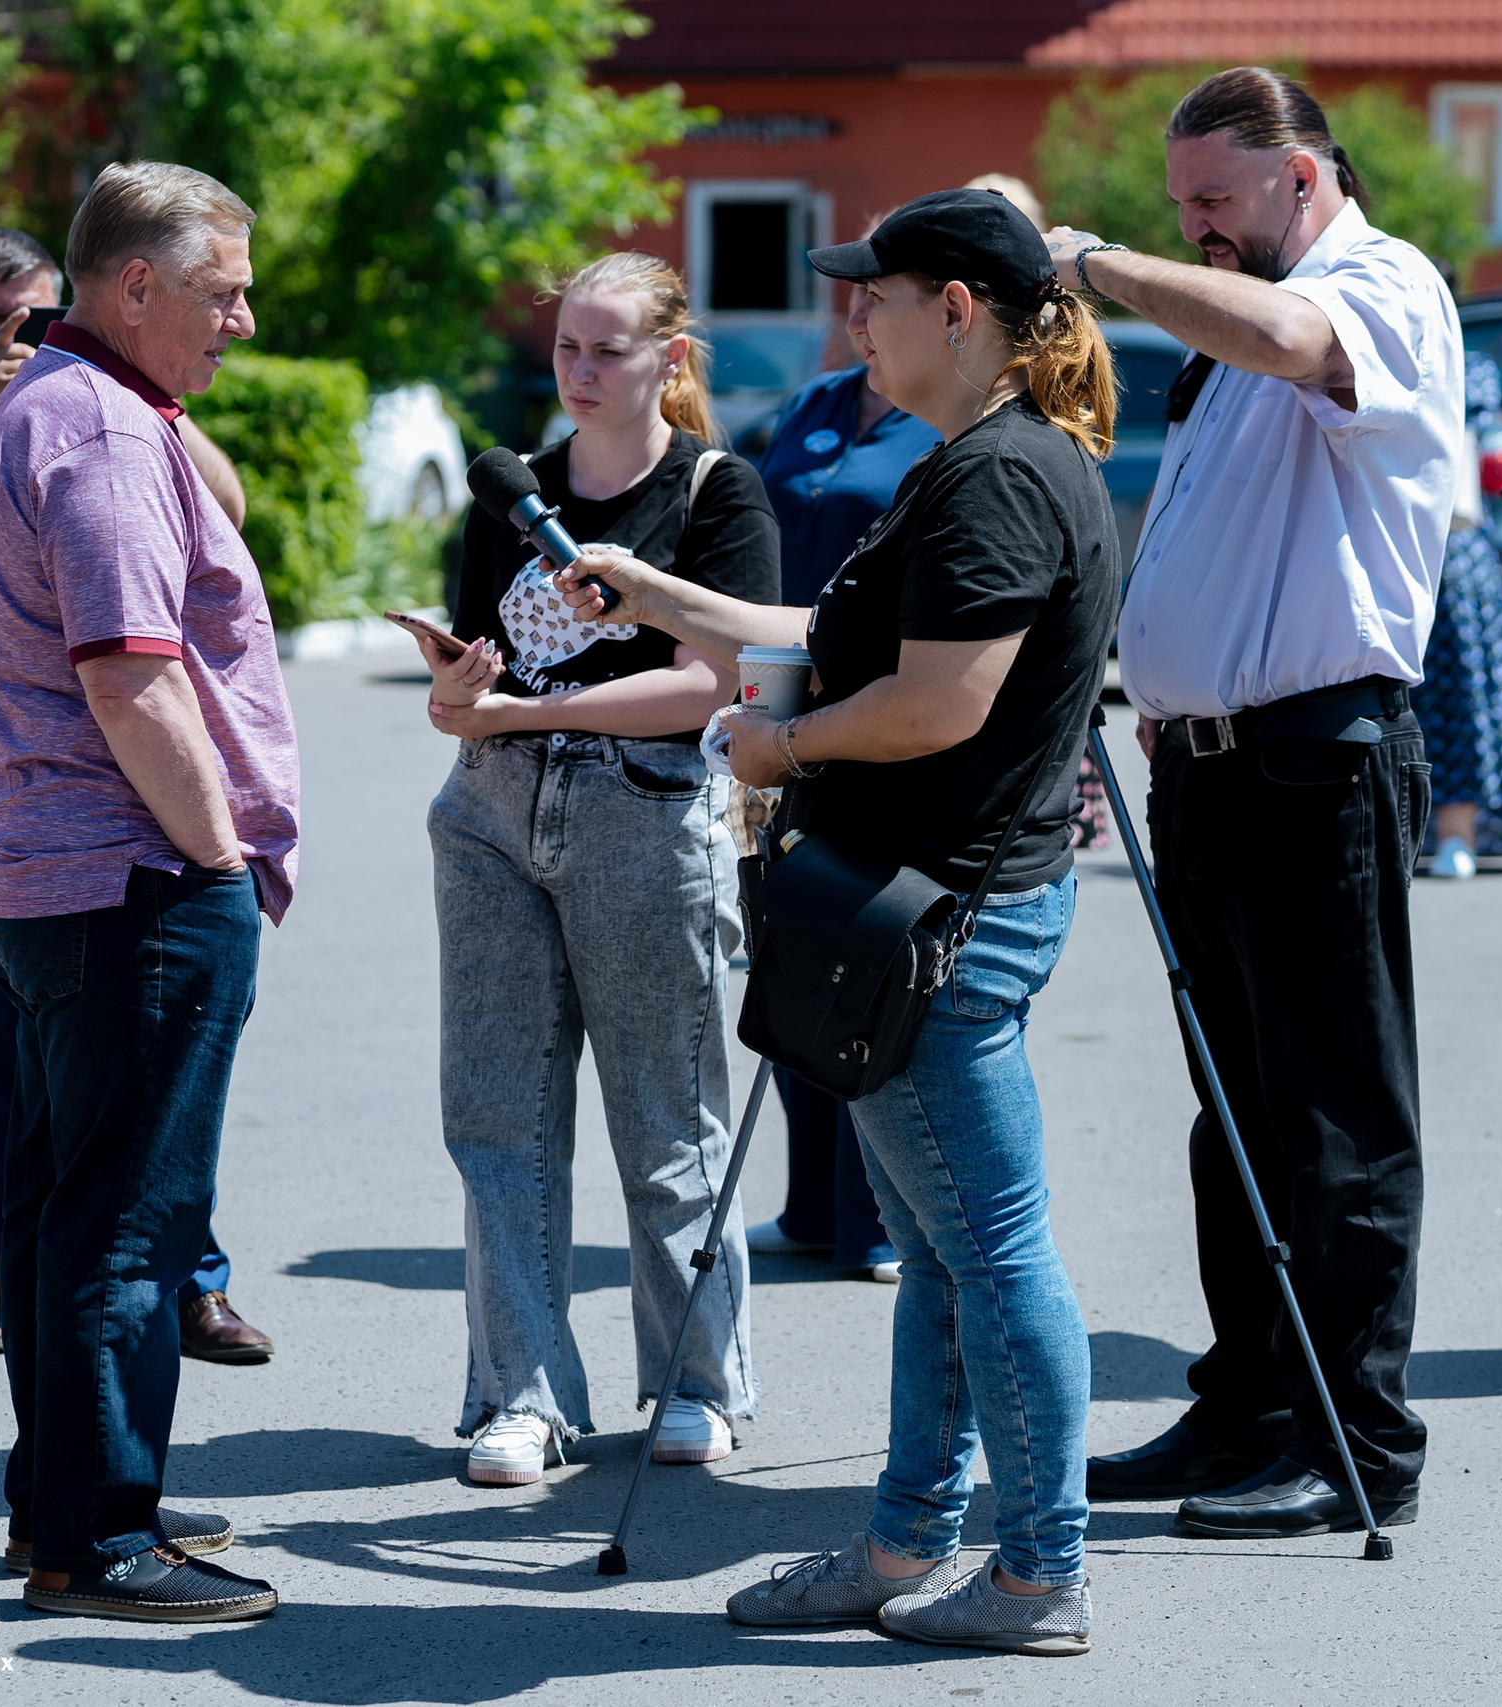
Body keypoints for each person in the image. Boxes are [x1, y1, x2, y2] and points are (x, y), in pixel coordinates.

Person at [556, 187, 1119, 1656]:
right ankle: (906, 1540)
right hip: (935, 904)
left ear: (960, 311)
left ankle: (1038, 1571)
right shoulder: (982, 459)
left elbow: (937, 703)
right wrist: (655, 590)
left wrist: (779, 749)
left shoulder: (999, 475)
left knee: (990, 1253)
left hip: (934, 916)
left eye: (878, 292)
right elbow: (832, 635)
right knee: (947, 1253)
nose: (851, 316)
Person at [1047, 66, 1459, 1540]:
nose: (1195, 230)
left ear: (1301, 174)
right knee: (1235, 1119)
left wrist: (1098, 264)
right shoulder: (1244, 311)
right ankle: (1250, 1409)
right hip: (1214, 766)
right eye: (1178, 206)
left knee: (1336, 1118)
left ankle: (1356, 1444)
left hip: (1314, 757)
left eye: (1213, 199)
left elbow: (1295, 345)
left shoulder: (1376, 284)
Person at [0, 225, 275, 1368]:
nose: (22, 337)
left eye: (38, 313)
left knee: (148, 1065)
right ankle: (4, 1275)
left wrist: (128, 383)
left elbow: (223, 508)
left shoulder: (110, 420)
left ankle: (188, 1278)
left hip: (94, 800)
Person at [0, 160, 295, 1622]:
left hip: (65, 878)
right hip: (130, 879)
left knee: (62, 1210)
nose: (244, 320)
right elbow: (133, 674)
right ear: (136, 284)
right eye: (225, 292)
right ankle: (98, 1536)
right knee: (126, 1225)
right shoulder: (97, 428)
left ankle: (66, 1500)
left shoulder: (64, 405)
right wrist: (218, 853)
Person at [408, 252, 778, 1484]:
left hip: (646, 813)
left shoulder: (717, 492)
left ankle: (696, 1382)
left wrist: (520, 713)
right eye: (567, 345)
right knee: (497, 1122)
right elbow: (476, 680)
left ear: (670, 360)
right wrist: (459, 690)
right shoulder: (511, 493)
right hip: (491, 814)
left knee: (666, 1116)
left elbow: (707, 684)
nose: (578, 369)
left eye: (606, 349)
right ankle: (520, 1396)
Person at [745, 229, 943, 1285]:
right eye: (850, 299)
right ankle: (813, 1204)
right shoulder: (820, 401)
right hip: (781, 700)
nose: (858, 317)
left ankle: (875, 1219)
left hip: (875, 710)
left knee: (861, 961)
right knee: (786, 944)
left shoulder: (944, 418)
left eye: (876, 297)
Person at [1413, 347, 1502, 879]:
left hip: (1450, 554)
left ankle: (1456, 835)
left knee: (1459, 695)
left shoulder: (1457, 366)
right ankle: (1427, 833)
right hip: (1418, 553)